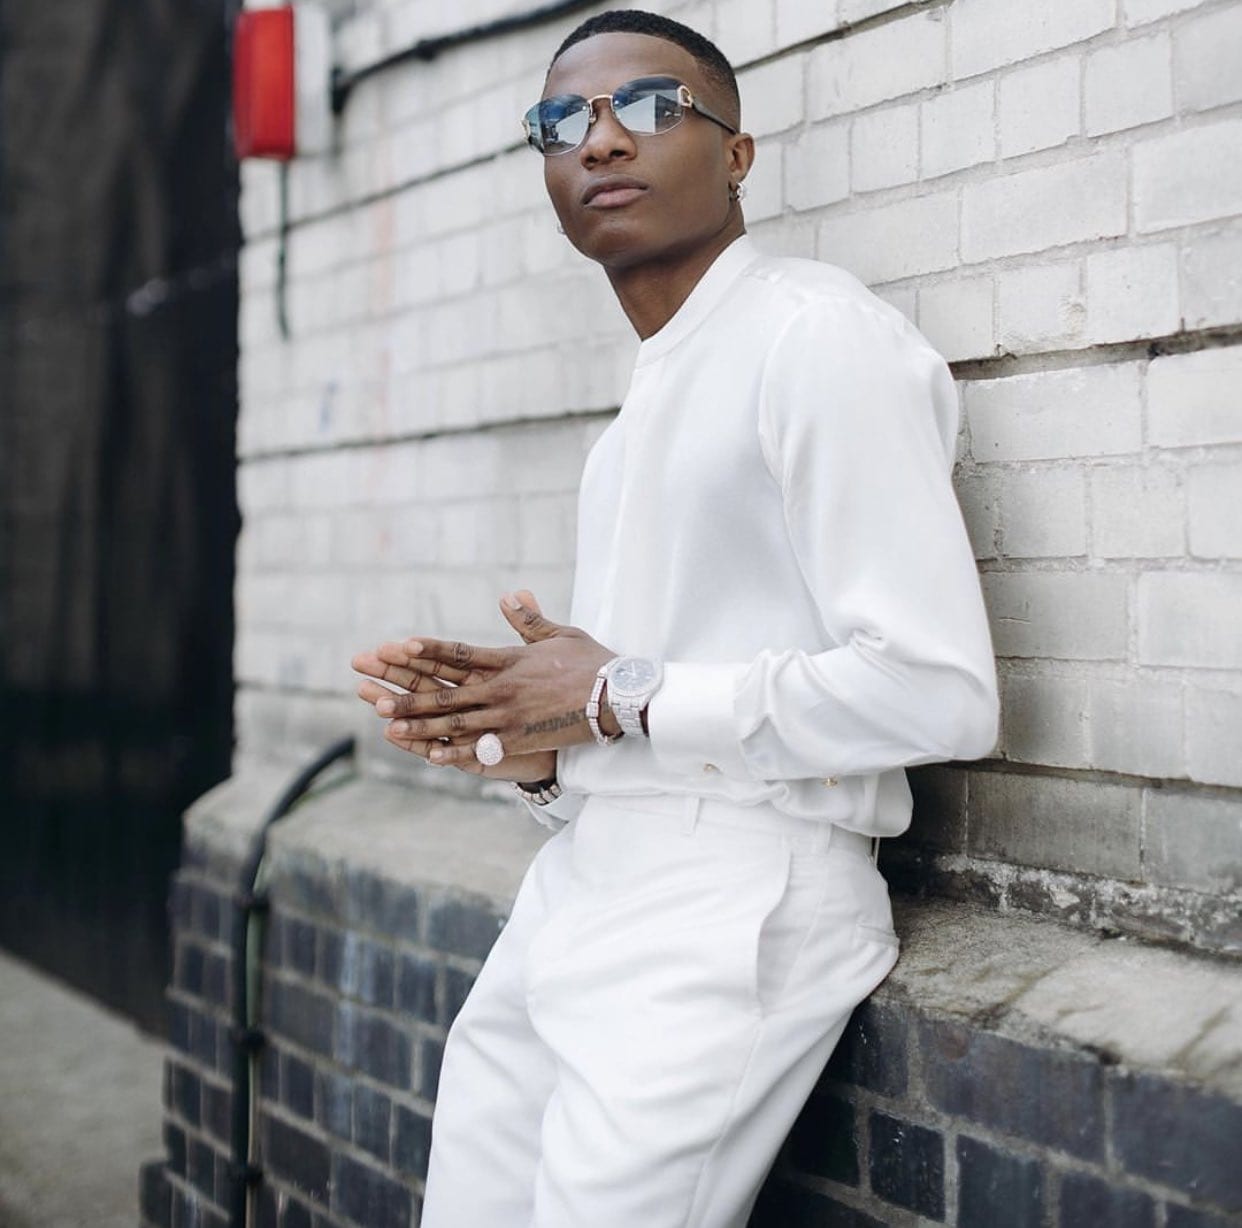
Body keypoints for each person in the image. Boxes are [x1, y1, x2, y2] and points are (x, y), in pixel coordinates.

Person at [352, 9, 998, 1226]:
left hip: (733, 902)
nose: (600, 141)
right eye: (562, 122)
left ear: (736, 154)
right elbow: (634, 706)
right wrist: (547, 749)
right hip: (578, 886)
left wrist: (616, 693)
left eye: (650, 107)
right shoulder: (637, 416)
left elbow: (939, 690)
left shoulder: (815, 338)